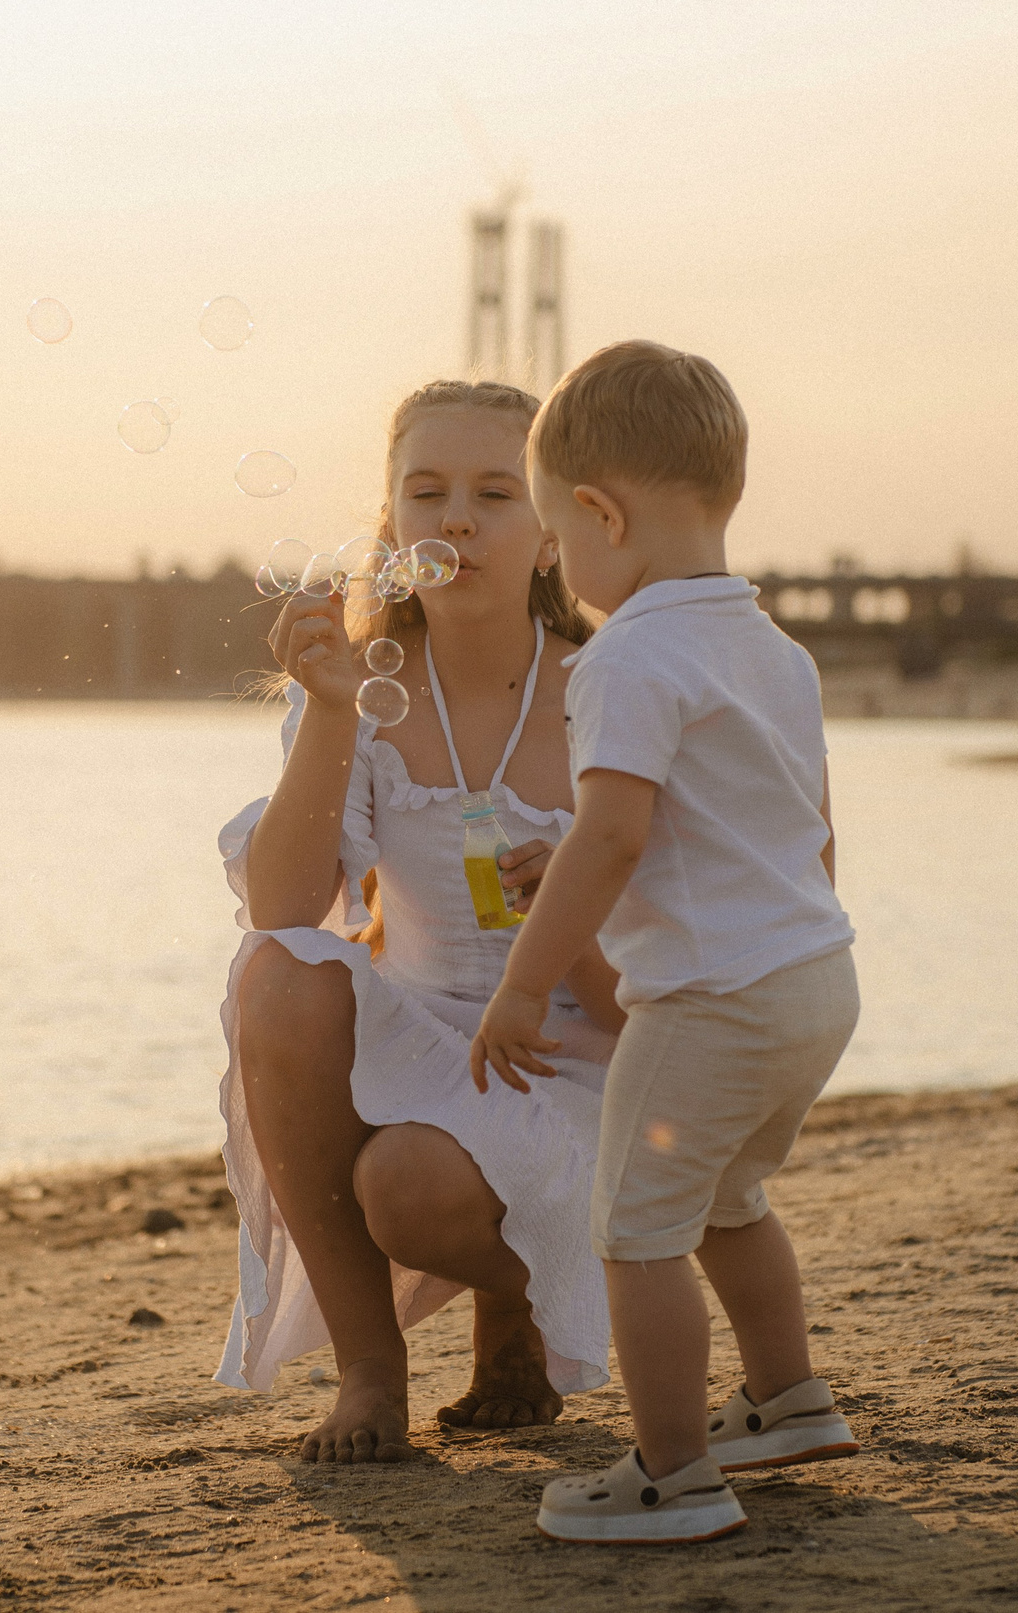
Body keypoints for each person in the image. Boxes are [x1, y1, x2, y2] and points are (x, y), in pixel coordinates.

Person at [471, 341, 863, 1544]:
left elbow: (615, 833)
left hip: (708, 1003)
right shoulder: (773, 648)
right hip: (812, 979)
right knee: (729, 1195)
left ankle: (672, 1470)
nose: (554, 562)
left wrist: (524, 983)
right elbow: (789, 829)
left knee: (635, 1230)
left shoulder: (626, 653)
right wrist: (577, 856)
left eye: (554, 534)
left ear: (601, 515)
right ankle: (786, 1398)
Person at [214, 379, 626, 1463]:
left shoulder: (610, 692)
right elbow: (282, 906)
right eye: (428, 492)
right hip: (429, 1040)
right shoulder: (363, 685)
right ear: (392, 526)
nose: (458, 520)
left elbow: (649, 995)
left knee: (405, 1189)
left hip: (583, 1050)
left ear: (551, 534)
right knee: (277, 971)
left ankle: (523, 1302)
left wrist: (570, 912)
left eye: (496, 493)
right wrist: (331, 709)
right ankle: (371, 1367)